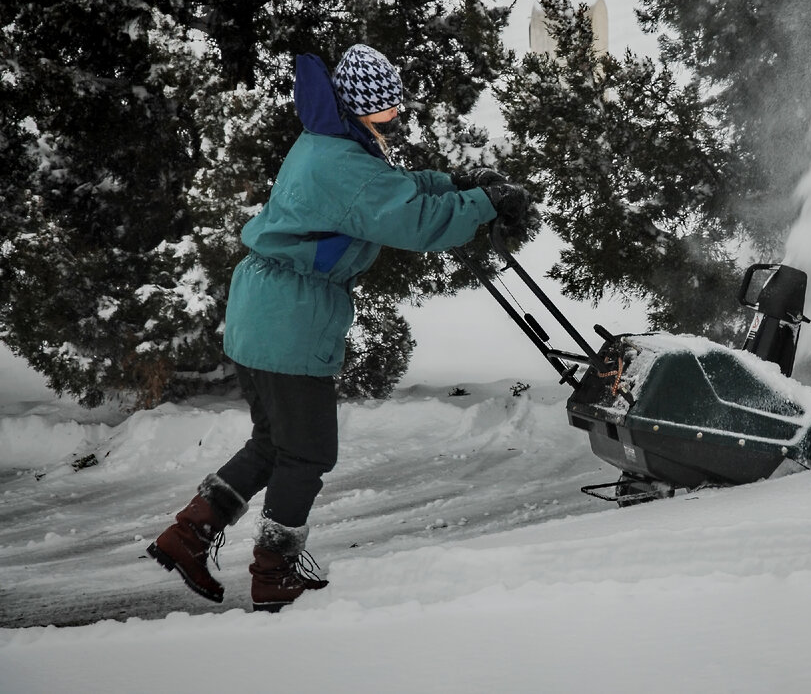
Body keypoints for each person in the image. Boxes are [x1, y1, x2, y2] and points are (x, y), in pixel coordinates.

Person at [147, 44, 532, 612]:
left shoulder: (330, 143)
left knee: (274, 444)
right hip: (289, 322)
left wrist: (455, 180)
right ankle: (272, 572)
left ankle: (187, 536)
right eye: (383, 112)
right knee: (307, 453)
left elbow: (393, 187)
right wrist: (484, 202)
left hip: (264, 312)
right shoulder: (343, 164)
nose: (393, 120)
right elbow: (413, 219)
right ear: (356, 109)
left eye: (394, 109)